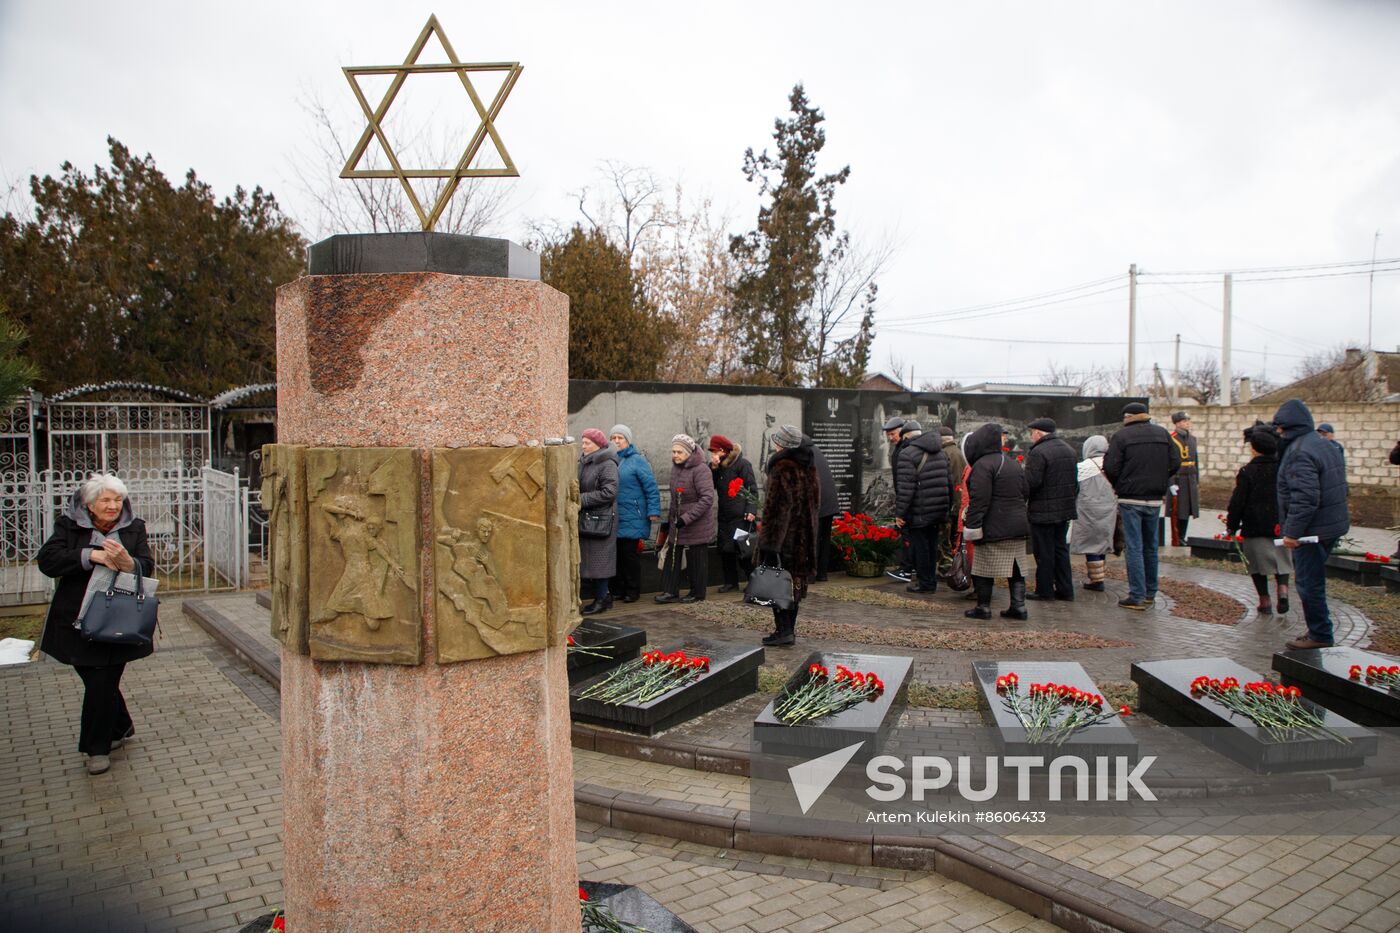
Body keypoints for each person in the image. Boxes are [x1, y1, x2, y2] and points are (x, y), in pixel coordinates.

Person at [38, 473, 155, 776]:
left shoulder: (134, 528)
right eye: (106, 500)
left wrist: (129, 563)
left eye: (117, 499)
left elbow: (146, 565)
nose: (113, 505)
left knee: (102, 680)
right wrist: (91, 555)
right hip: (76, 619)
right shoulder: (70, 526)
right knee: (95, 679)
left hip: (117, 617)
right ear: (90, 505)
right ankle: (121, 724)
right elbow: (48, 561)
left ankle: (97, 748)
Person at [1273, 399, 1350, 649]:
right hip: (1331, 524)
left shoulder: (1299, 452)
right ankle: (1318, 631)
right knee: (1312, 580)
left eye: (1281, 428)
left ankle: (1320, 634)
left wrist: (1292, 533)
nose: (1278, 433)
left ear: (1290, 427)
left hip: (1311, 532)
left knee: (1308, 583)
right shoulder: (1324, 445)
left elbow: (1305, 498)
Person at [1103, 402, 1180, 611]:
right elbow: (1175, 462)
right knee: (1151, 546)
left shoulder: (1121, 437)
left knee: (1134, 547)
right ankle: (1150, 593)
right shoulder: (1163, 434)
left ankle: (1136, 595)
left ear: (1127, 417)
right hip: (1154, 498)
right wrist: (1160, 479)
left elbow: (1110, 466)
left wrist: (1121, 484)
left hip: (1130, 499)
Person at [757, 425, 821, 646]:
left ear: (781, 445)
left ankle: (783, 631)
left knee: (778, 585)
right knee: (794, 585)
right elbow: (814, 506)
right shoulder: (809, 467)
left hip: (783, 540)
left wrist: (769, 545)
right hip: (803, 539)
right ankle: (788, 630)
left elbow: (777, 510)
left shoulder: (782, 468)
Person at [961, 423, 1032, 620]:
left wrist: (973, 526)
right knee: (1017, 568)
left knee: (983, 568)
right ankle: (1019, 607)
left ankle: (983, 608)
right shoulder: (1012, 463)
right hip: (1017, 524)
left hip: (993, 526)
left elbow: (979, 499)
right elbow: (1025, 491)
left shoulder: (983, 465)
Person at [1226, 422, 1292, 616]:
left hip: (1254, 524)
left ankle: (1264, 600)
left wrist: (1232, 524)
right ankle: (1283, 589)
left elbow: (1238, 501)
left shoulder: (1248, 471)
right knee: (1282, 558)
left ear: (1255, 449)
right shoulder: (1283, 469)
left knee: (1256, 563)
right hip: (1280, 522)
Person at [654, 434, 716, 604]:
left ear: (689, 452)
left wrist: (686, 518)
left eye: (679, 452)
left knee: (697, 558)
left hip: (697, 522)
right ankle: (670, 591)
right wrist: (671, 519)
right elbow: (675, 497)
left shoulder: (701, 470)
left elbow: (707, 499)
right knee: (672, 555)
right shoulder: (676, 468)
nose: (675, 455)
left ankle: (697, 593)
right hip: (678, 522)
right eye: (673, 451)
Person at [895, 421, 954, 593]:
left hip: (919, 511)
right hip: (938, 510)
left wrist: (900, 513)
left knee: (920, 547)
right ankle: (930, 581)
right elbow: (949, 483)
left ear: (906, 436)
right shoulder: (941, 452)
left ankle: (924, 583)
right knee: (931, 545)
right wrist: (947, 507)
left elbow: (906, 489)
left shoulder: (907, 454)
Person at [1024, 417, 1079, 601]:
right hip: (1064, 510)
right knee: (1061, 549)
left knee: (1044, 552)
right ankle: (1065, 589)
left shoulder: (1038, 452)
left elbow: (1032, 482)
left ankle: (1044, 590)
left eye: (1031, 433)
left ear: (1038, 432)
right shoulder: (1069, 450)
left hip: (1042, 511)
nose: (1031, 436)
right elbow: (1075, 483)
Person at [610, 425, 660, 603]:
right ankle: (619, 589)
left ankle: (632, 590)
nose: (616, 441)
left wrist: (653, 511)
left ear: (628, 440)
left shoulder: (637, 460)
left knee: (629, 555)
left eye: (620, 438)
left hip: (633, 515)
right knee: (616, 555)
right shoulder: (612, 460)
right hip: (616, 516)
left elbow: (651, 487)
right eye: (613, 438)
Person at [578, 429, 619, 615]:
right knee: (590, 561)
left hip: (601, 521)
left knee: (600, 562)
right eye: (583, 442)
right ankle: (604, 596)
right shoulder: (585, 461)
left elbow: (610, 492)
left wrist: (581, 499)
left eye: (587, 442)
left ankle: (602, 599)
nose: (583, 445)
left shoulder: (607, 463)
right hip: (588, 520)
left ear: (597, 445)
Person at [709, 434, 757, 593]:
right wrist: (714, 468)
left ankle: (753, 580)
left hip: (740, 515)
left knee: (743, 550)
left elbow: (752, 489)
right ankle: (731, 582)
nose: (713, 455)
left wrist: (751, 509)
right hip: (724, 515)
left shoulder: (743, 464)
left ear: (723, 450)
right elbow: (712, 484)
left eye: (714, 451)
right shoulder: (720, 466)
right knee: (725, 550)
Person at [1070, 435, 1116, 592]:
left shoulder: (1082, 467)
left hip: (1087, 510)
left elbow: (1074, 488)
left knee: (1091, 544)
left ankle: (1096, 580)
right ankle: (1099, 576)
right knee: (1102, 543)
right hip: (1109, 510)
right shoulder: (1113, 465)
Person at [882, 416, 915, 581]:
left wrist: (901, 510)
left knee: (907, 534)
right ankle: (910, 566)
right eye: (888, 434)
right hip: (907, 499)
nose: (890, 437)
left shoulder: (904, 450)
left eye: (893, 433)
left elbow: (904, 482)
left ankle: (907, 569)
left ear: (903, 431)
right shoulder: (903, 448)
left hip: (907, 500)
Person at [1165, 412, 1200, 545]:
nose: (1187, 423)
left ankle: (1182, 536)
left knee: (1188, 509)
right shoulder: (1172, 438)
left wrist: (1197, 480)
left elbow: (1195, 460)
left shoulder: (1192, 439)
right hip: (1178, 477)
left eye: (1188, 420)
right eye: (1184, 421)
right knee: (1178, 509)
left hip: (1190, 476)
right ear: (1177, 423)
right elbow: (1169, 462)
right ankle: (1177, 537)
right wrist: (1171, 482)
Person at [937, 426, 968, 577]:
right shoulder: (959, 453)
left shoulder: (944, 454)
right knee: (953, 539)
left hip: (950, 505)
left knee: (945, 541)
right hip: (958, 504)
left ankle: (947, 570)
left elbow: (950, 483)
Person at [810, 442, 839, 582]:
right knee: (825, 539)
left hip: (819, 503)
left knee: (813, 538)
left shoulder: (803, 453)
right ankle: (822, 573)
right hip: (829, 503)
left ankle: (811, 575)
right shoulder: (815, 449)